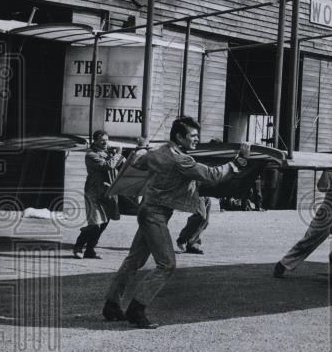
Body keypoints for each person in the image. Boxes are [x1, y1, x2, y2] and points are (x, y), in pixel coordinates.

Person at [102, 117, 251, 328]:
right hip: (155, 215)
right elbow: (212, 175)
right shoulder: (181, 160)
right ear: (179, 137)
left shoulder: (159, 152)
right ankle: (137, 309)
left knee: (133, 261)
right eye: (193, 136)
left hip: (147, 210)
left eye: (197, 135)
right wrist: (239, 161)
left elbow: (138, 160)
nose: (197, 140)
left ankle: (111, 304)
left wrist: (142, 146)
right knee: (167, 265)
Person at [73, 130, 122, 259]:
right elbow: (108, 166)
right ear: (95, 141)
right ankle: (78, 246)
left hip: (107, 193)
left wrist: (119, 156)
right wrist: (118, 154)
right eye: (102, 140)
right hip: (93, 194)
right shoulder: (90, 155)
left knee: (104, 224)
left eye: (107, 139)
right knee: (95, 224)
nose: (105, 142)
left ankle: (90, 250)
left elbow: (121, 165)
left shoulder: (108, 153)